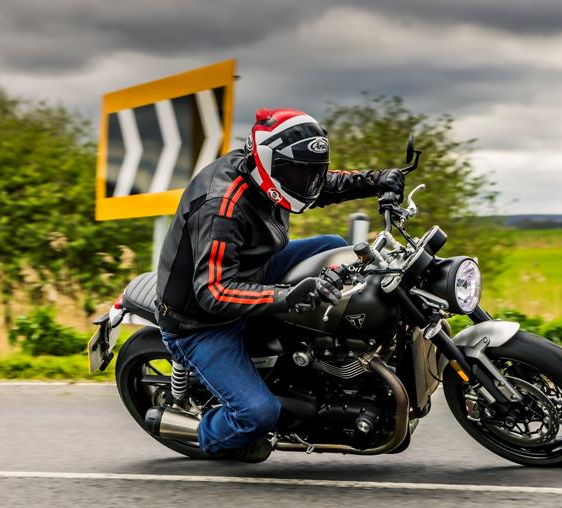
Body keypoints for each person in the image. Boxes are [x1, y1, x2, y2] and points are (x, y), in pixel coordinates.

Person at [147, 108, 405, 462]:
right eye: (299, 171)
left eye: (310, 170)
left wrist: (376, 180)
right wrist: (286, 296)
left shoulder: (273, 174)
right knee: (257, 416)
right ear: (269, 162)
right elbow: (214, 292)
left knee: (332, 246)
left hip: (253, 269)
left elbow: (323, 185)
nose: (308, 180)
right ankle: (206, 432)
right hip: (200, 321)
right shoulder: (222, 208)